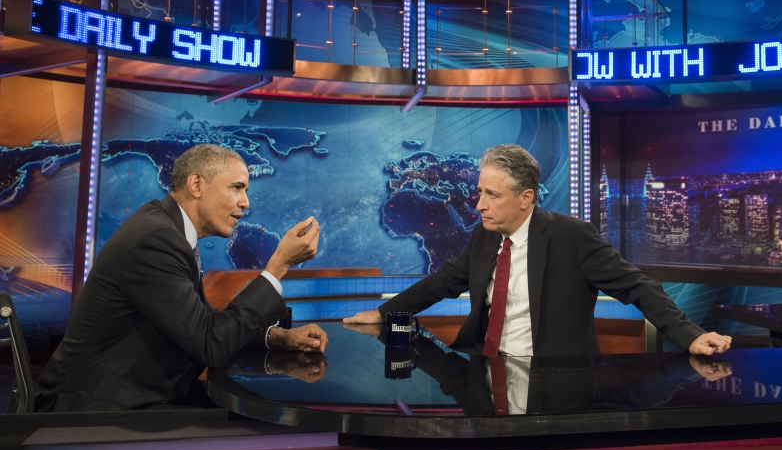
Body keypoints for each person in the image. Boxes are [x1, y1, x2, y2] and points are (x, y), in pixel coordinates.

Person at [345, 144, 732, 357]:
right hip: (481, 366)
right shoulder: (484, 236)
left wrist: (690, 336)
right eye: (479, 192)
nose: (479, 205)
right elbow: (443, 282)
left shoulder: (571, 236)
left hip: (554, 375)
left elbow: (639, 286)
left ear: (526, 198)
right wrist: (384, 313)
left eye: (492, 195)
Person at [35, 144, 328, 412]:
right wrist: (278, 265)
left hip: (138, 398)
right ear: (196, 184)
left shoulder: (167, 229)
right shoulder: (156, 240)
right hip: (95, 410)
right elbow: (211, 343)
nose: (245, 202)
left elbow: (204, 324)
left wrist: (276, 337)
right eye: (237, 188)